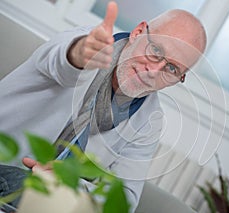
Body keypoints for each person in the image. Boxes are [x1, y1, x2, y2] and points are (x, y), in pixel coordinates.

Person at [0, 1, 206, 212]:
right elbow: (63, 62)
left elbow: (125, 199)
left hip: (49, 198)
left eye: (171, 68)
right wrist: (79, 54)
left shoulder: (150, 120)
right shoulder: (86, 44)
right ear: (138, 32)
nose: (153, 71)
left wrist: (69, 182)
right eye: (155, 50)